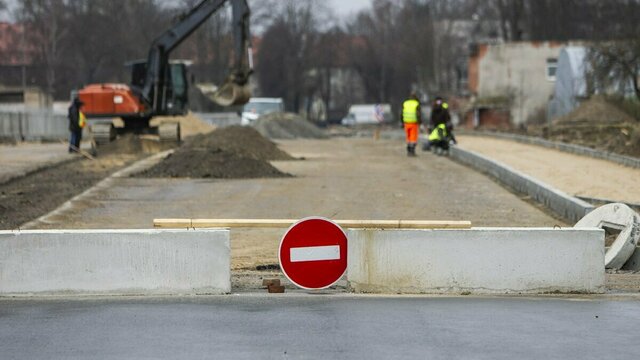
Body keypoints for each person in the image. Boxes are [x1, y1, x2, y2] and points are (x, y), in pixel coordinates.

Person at [401, 92, 422, 156]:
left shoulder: (405, 103)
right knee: (413, 137)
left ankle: (408, 148)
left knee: (408, 136)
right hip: (413, 123)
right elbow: (418, 114)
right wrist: (420, 122)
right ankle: (412, 150)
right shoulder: (416, 104)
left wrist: (402, 122)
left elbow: (402, 113)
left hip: (406, 123)